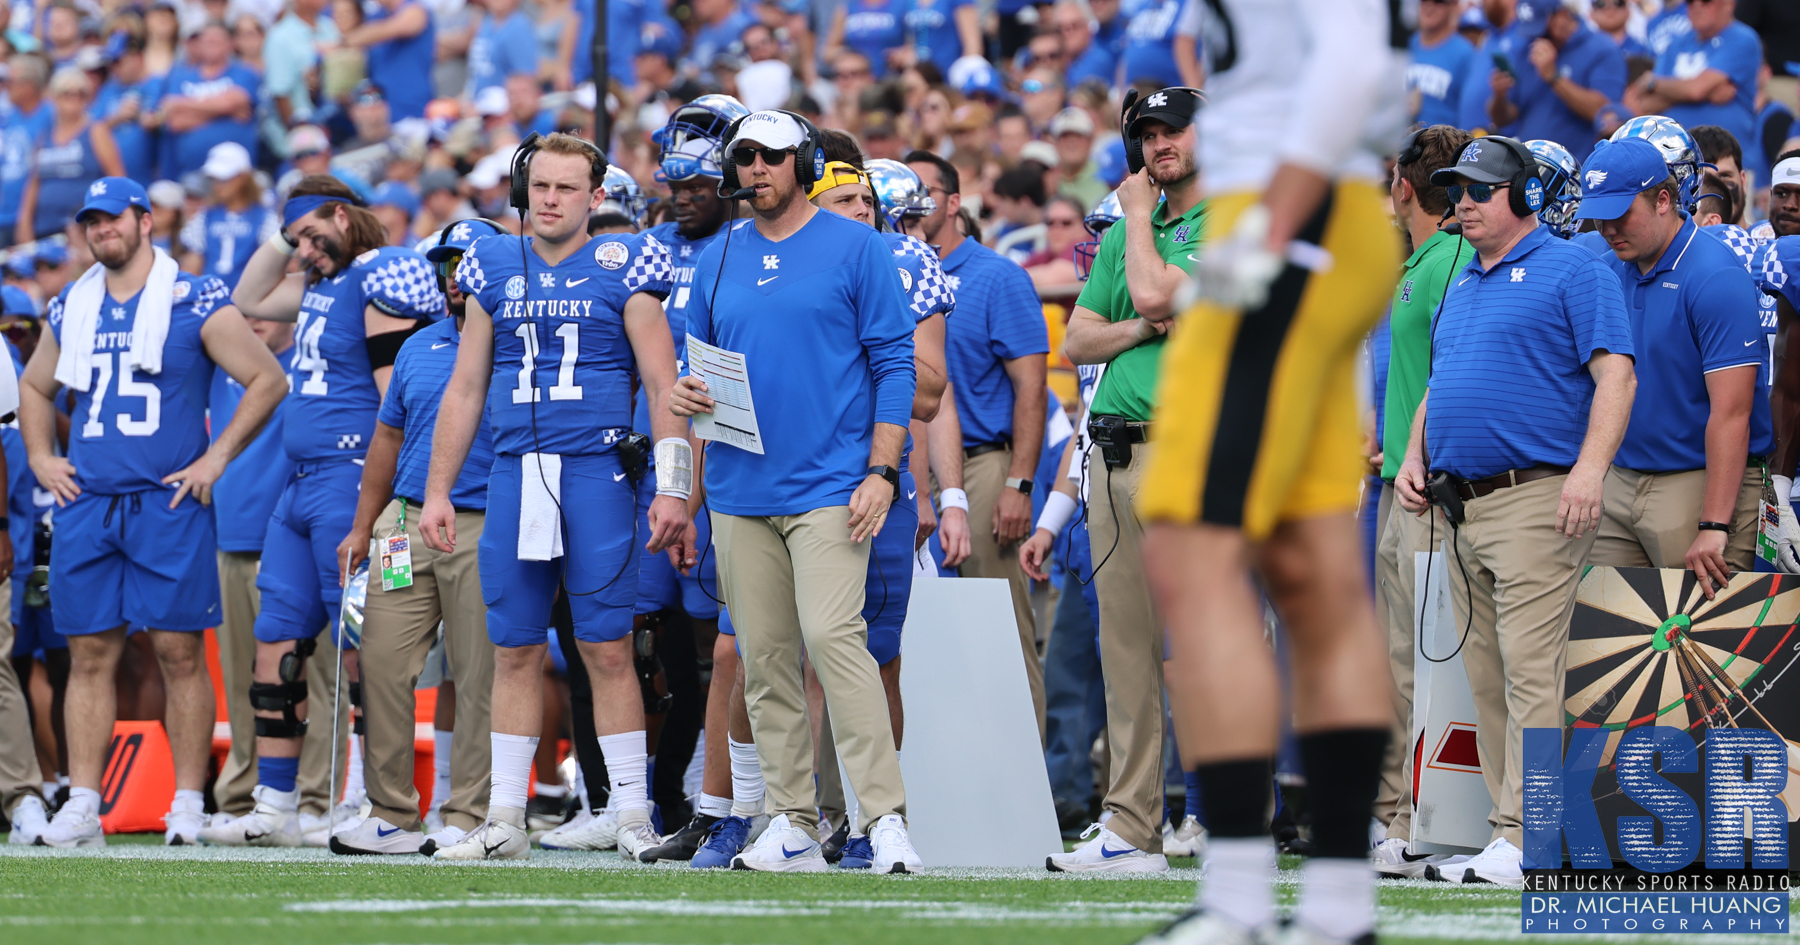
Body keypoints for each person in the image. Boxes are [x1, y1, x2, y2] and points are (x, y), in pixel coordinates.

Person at [1131, 1, 1408, 941]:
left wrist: (1271, 228)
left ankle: (1241, 893)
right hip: (1318, 216)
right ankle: (1336, 903)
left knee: (1190, 552)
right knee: (1312, 569)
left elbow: (1352, 60)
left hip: (1293, 216)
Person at [424, 133, 688, 862]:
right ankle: (505, 816)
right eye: (539, 186)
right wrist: (438, 489)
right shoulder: (492, 264)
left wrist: (674, 487)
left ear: (595, 198)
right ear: (521, 190)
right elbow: (467, 386)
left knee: (606, 647)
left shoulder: (622, 261)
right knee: (514, 647)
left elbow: (665, 386)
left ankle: (630, 810)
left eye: (567, 188)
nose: (549, 200)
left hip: (596, 470)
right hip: (514, 471)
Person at [671, 109, 923, 873]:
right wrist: (688, 400)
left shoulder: (858, 245)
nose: (756, 168)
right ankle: (791, 819)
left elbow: (895, 363)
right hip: (740, 487)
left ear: (803, 162)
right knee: (765, 657)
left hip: (832, 483)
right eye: (744, 156)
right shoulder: (716, 257)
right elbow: (701, 367)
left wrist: (882, 470)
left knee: (833, 641)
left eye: (773, 156)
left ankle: (882, 817)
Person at [1390, 137, 1636, 888]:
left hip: (1536, 496)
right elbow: (1445, 377)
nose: (1461, 202)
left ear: (1525, 196)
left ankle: (1531, 833)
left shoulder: (1575, 268)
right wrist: (1412, 452)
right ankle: (1510, 831)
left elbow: (1616, 375)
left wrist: (1589, 471)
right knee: (1487, 675)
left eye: (1479, 190)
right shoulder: (1465, 280)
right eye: (1455, 190)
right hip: (1461, 501)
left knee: (1532, 672)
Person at [20, 177, 288, 847]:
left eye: (113, 218)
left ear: (144, 221)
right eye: (92, 220)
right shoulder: (70, 305)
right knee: (87, 655)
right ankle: (84, 801)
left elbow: (267, 378)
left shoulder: (191, 295)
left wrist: (216, 457)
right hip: (90, 501)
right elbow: (33, 382)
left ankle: (189, 802)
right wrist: (41, 454)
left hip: (166, 499)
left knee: (177, 650)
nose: (101, 229)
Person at [200, 175, 447, 847]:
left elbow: (399, 398)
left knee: (367, 643)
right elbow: (247, 295)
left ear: (344, 215)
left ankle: (369, 796)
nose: (303, 249)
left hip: (350, 481)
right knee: (277, 640)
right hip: (300, 484)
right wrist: (287, 234)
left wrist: (378, 505)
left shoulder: (380, 274)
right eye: (295, 239)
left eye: (312, 234)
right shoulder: (320, 281)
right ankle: (277, 804)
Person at [1049, 85, 1203, 875]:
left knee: (1211, 646)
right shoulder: (1132, 234)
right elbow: (1080, 338)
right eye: (1146, 134)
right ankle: (1131, 825)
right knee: (1127, 648)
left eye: (1173, 129)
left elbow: (1148, 287)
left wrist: (1139, 223)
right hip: (1115, 454)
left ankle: (1227, 817)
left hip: (1198, 453)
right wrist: (1145, 327)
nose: (1158, 144)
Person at [330, 218, 506, 856]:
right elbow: (387, 438)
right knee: (379, 662)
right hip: (403, 523)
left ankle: (470, 812)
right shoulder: (417, 345)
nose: (455, 275)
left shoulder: (516, 345)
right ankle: (392, 813)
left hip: (480, 520)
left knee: (479, 672)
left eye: (467, 262)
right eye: (447, 263)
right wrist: (360, 524)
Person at [608, 95, 751, 863]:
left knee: (714, 633)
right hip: (650, 462)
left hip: (726, 458)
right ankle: (638, 796)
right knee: (635, 633)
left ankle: (709, 786)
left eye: (702, 177)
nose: (686, 193)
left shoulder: (753, 243)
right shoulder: (648, 247)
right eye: (679, 180)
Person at [1578, 137, 1770, 589]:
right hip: (1620, 476)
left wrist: (1715, 525)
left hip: (1697, 479)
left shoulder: (1714, 275)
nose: (1607, 228)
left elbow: (1733, 413)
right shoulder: (1608, 269)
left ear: (1664, 200)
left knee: (1696, 644)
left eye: (1620, 213)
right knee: (1602, 641)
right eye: (1599, 215)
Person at [903, 149, 1050, 738]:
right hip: (909, 467)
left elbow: (1032, 389)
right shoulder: (887, 267)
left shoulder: (995, 276)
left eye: (925, 193)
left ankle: (1025, 787)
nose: (911, 205)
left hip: (983, 464)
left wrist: (1018, 482)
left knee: (1002, 627)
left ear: (954, 201)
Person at [1367, 125, 1475, 882]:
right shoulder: (1424, 259)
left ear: (1404, 185)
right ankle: (1400, 816)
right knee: (1400, 659)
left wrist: (1416, 453)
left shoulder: (1450, 260)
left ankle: (1420, 820)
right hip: (1394, 481)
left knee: (1426, 660)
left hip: (1426, 488)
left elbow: (1454, 369)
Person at [1486, 0, 1625, 162]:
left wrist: (1553, 76)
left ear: (1563, 15)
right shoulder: (1527, 48)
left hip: (1578, 167)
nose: (1537, 36)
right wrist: (1499, 96)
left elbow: (1604, 113)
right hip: (1531, 167)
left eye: (1542, 29)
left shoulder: (1602, 48)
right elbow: (1505, 118)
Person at [1626, 0, 1762, 152]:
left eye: (1706, 1)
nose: (1697, 6)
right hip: (1675, 156)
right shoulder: (1677, 44)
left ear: (1728, 4)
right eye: (1690, 1)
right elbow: (1646, 103)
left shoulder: (1741, 38)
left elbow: (1696, 90)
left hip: (1726, 155)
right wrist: (1706, 94)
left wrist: (1655, 84)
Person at [17, 67, 124, 245]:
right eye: (67, 93)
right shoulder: (44, 137)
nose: (74, 99)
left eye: (80, 94)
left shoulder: (96, 131)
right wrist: (25, 224)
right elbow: (34, 184)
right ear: (54, 97)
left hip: (84, 230)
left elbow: (117, 178)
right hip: (44, 229)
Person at [151, 21, 260, 180]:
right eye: (207, 40)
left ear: (230, 43)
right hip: (187, 173)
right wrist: (225, 113)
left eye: (217, 39)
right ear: (199, 44)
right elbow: (175, 121)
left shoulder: (245, 73)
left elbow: (233, 102)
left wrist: (180, 103)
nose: (212, 44)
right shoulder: (179, 76)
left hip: (236, 174)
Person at [179, 143, 278, 289]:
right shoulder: (205, 216)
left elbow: (273, 265)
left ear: (243, 178)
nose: (217, 185)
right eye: (214, 179)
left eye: (224, 179)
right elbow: (193, 264)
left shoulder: (265, 218)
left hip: (247, 301)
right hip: (210, 301)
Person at [341, 0, 436, 122]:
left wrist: (344, 42)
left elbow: (403, 26)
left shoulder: (415, 9)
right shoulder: (376, 16)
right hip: (378, 110)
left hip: (411, 107)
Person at [93, 33, 165, 187]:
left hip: (150, 180)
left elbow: (167, 118)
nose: (113, 68)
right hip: (112, 181)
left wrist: (153, 120)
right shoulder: (109, 89)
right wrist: (118, 117)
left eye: (118, 61)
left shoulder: (160, 85)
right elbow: (92, 128)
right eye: (111, 63)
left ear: (137, 57)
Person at [0, 56, 54, 248]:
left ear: (29, 86)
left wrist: (26, 218)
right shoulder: (7, 116)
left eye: (10, 82)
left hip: (29, 218)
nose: (5, 87)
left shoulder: (51, 116)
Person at [1408, 0, 1476, 127]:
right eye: (1424, 1)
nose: (1429, 7)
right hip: (1404, 142)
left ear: (1453, 6)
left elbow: (1470, 114)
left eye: (1438, 2)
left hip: (1442, 144)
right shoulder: (1411, 44)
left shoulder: (1465, 54)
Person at [466, 0, 540, 96]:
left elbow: (525, 78)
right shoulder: (486, 23)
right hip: (477, 101)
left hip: (502, 104)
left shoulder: (518, 28)